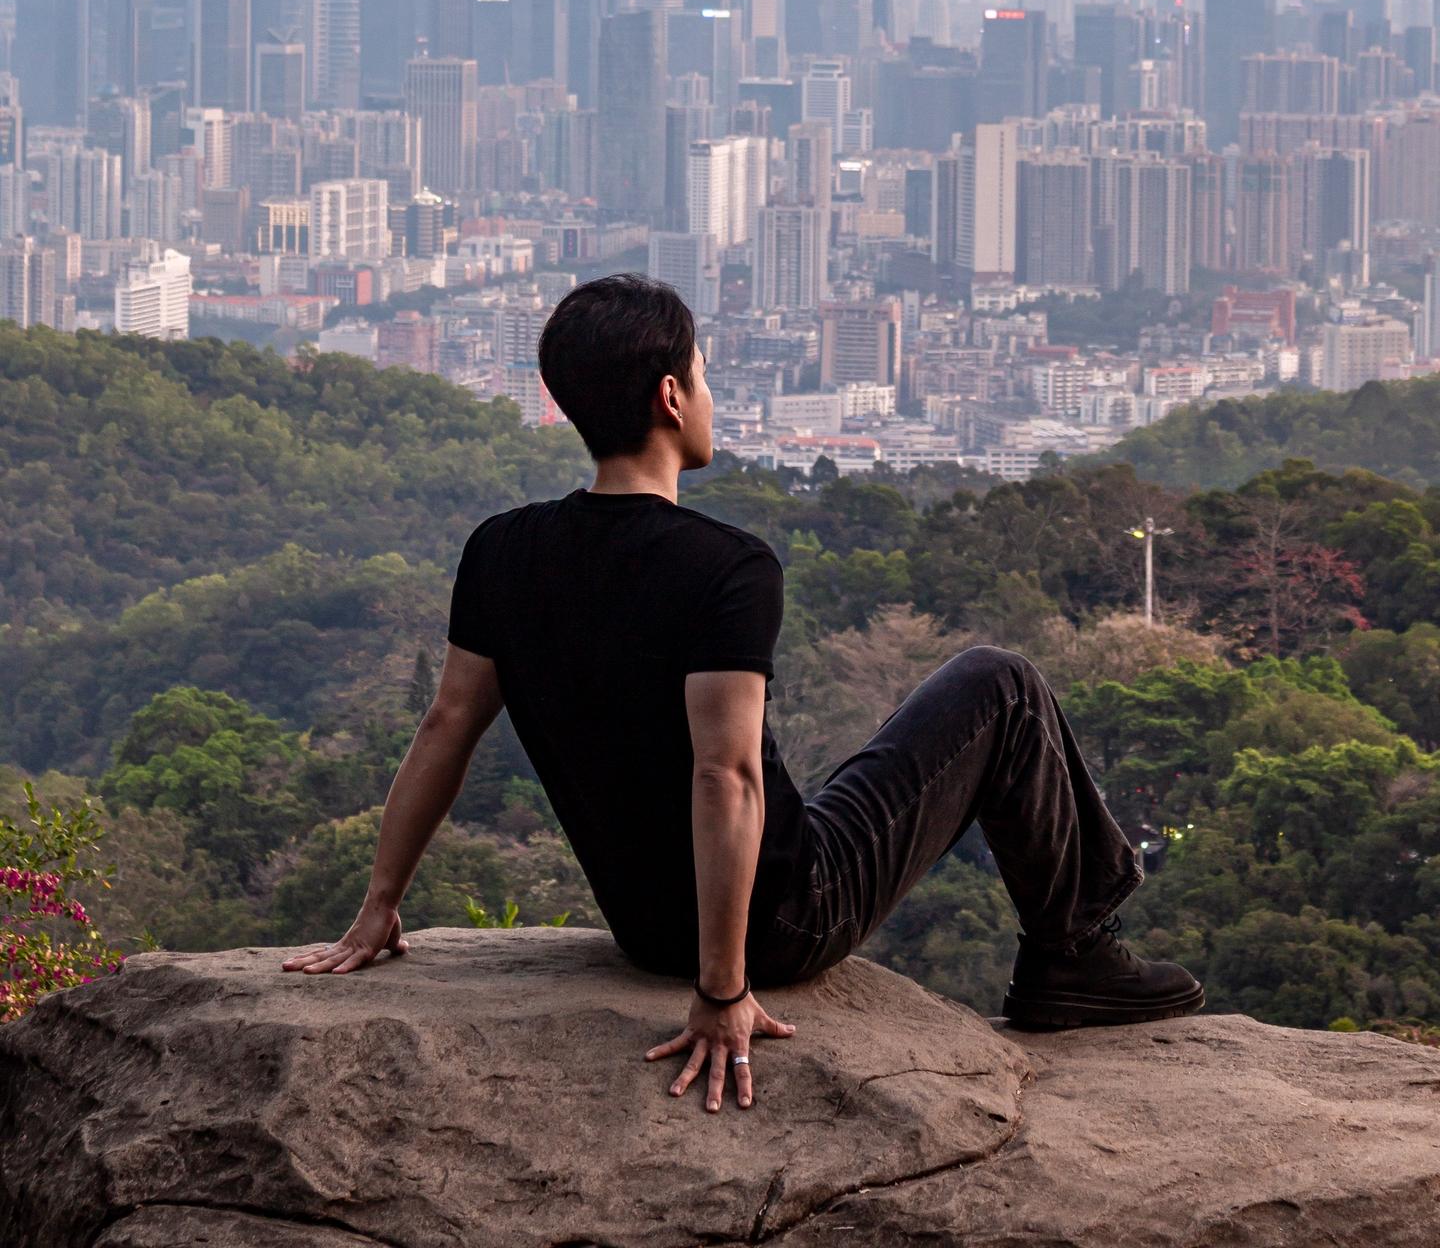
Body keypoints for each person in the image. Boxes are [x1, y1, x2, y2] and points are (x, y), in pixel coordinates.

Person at [284, 274, 1203, 1110]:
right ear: (670, 397)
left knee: (860, 772)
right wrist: (723, 990)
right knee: (999, 684)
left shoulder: (502, 550)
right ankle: (1071, 954)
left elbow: (446, 725)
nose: (711, 396)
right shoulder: (725, 566)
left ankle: (1071, 951)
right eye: (704, 375)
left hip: (645, 927)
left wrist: (379, 906)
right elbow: (723, 776)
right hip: (783, 922)